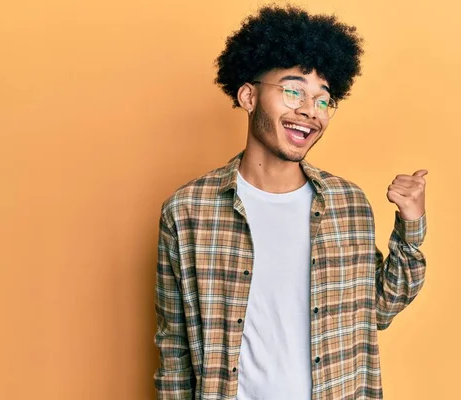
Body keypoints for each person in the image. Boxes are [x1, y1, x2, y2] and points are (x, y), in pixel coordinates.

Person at [153, 5, 428, 400]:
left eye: (323, 99)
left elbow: (378, 311)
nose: (308, 112)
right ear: (248, 95)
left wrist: (411, 225)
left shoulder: (348, 205)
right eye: (293, 90)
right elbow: (174, 350)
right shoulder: (187, 212)